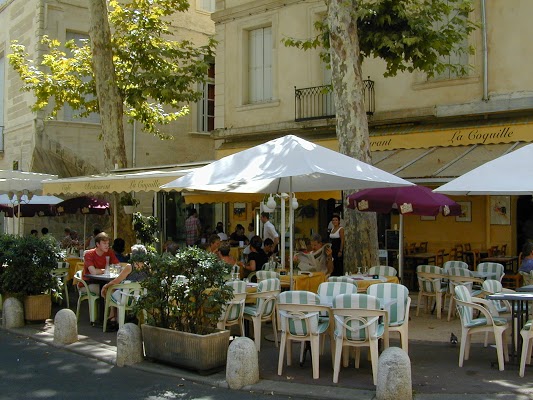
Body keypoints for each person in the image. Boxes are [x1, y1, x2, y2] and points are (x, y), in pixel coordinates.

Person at [101, 244, 148, 331]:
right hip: (140, 299)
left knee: (111, 290)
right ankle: (114, 317)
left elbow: (116, 281)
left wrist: (105, 286)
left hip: (127, 299)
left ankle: (112, 318)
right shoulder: (148, 267)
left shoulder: (130, 267)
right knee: (115, 289)